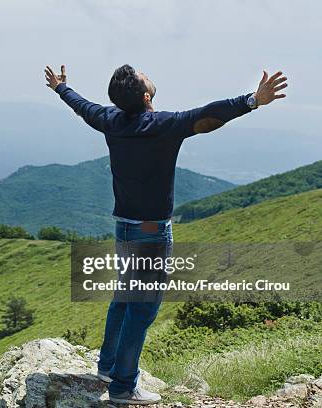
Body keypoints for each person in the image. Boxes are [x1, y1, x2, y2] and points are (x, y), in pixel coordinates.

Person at [45, 64, 287, 405]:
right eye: (144, 76)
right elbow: (208, 116)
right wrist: (252, 100)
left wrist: (61, 88)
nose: (146, 73)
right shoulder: (162, 126)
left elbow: (82, 106)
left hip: (124, 226)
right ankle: (122, 387)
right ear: (146, 96)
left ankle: (107, 366)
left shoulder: (110, 120)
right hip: (151, 233)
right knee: (141, 310)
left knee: (123, 298)